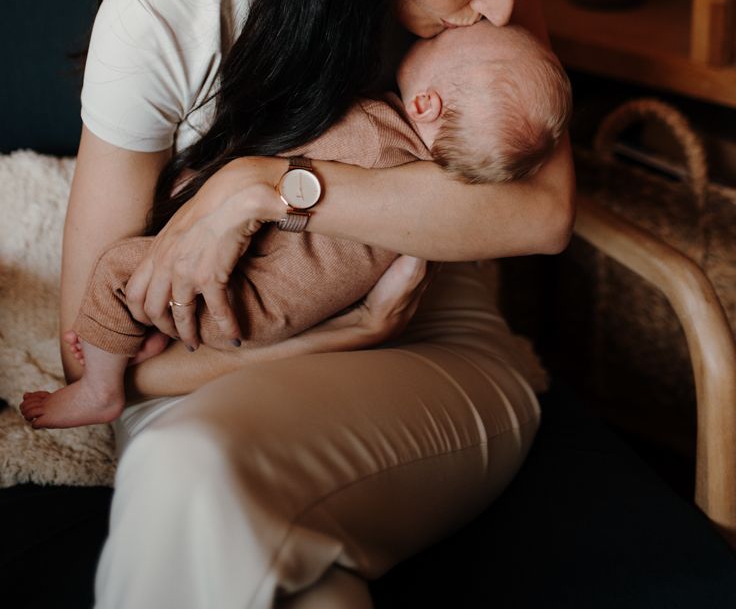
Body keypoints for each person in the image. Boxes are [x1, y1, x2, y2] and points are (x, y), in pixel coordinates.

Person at [48, 0, 582, 609]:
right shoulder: (172, 9)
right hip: (226, 363)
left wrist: (261, 187)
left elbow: (538, 215)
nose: (503, 10)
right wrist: (335, 337)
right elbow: (94, 353)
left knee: (189, 480)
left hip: (433, 343)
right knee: (201, 480)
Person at [22, 23, 571, 429]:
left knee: (122, 267)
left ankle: (100, 388)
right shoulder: (432, 205)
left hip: (236, 298)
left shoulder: (370, 131)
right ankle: (147, 341)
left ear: (425, 102)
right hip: (280, 320)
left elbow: (276, 158)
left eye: (450, 41)